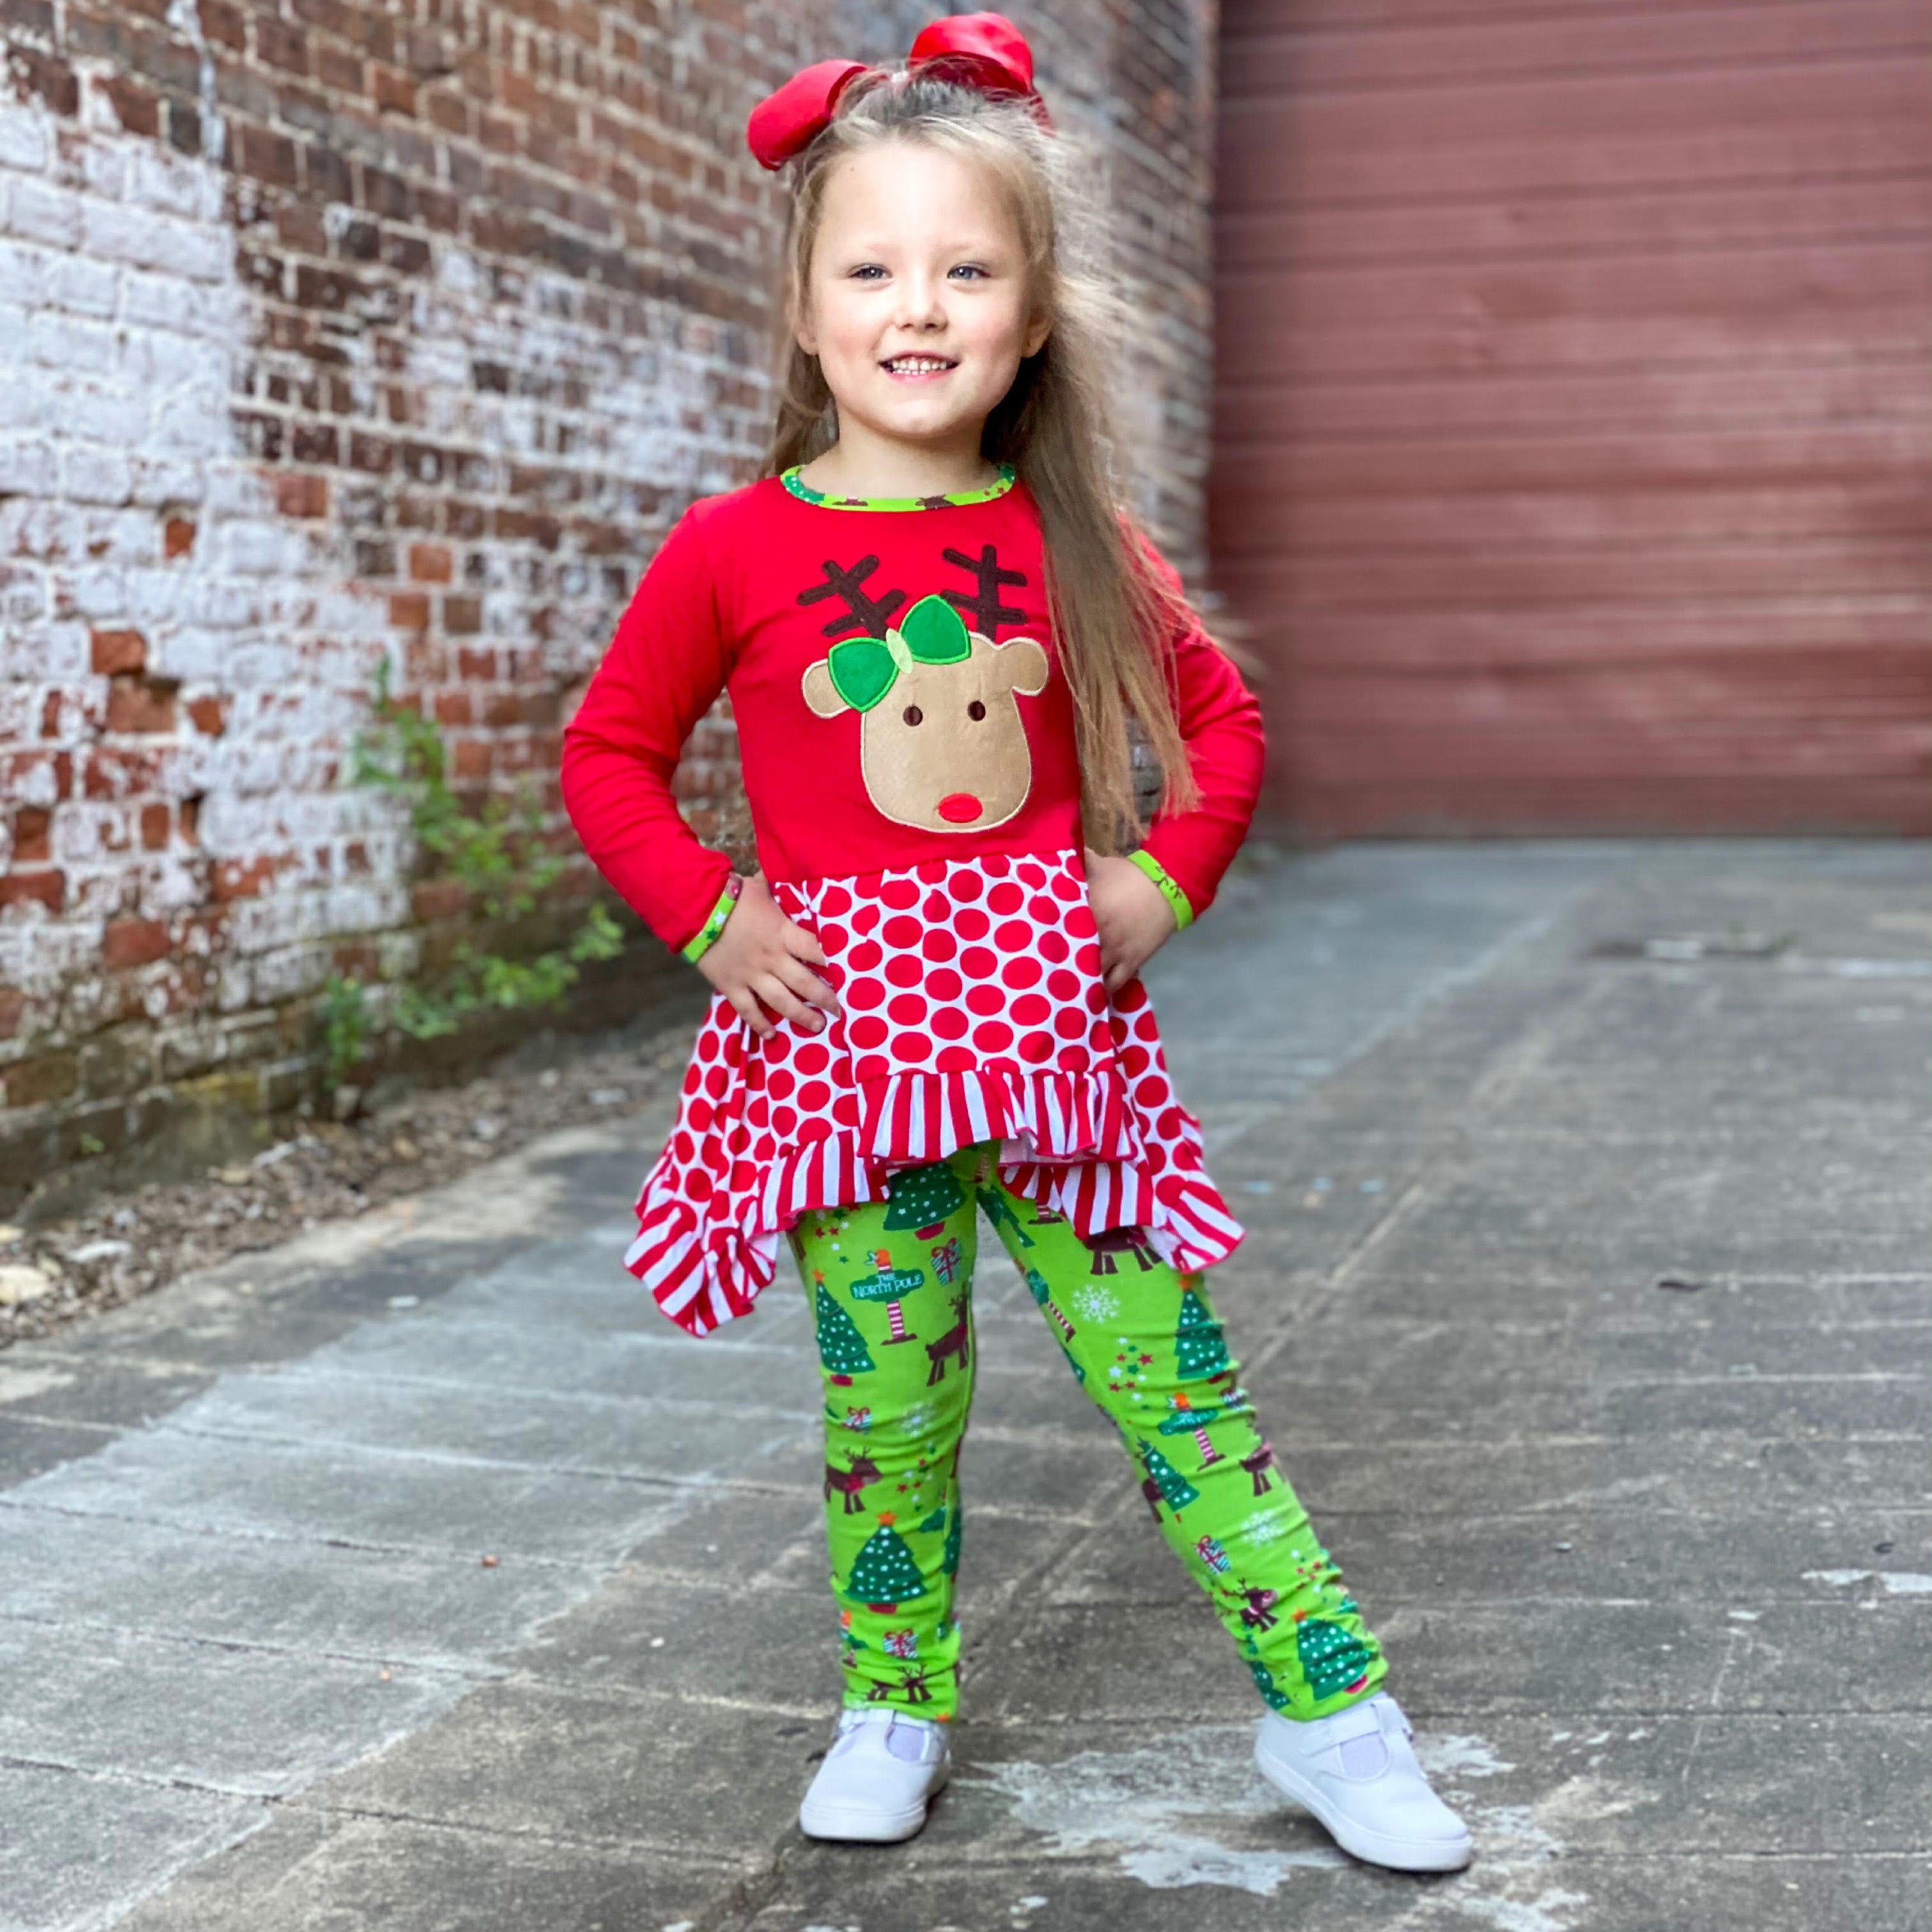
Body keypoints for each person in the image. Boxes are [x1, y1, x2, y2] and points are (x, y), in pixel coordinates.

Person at [559, 13, 1472, 1874]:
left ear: (1032, 317)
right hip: (840, 1066)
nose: (921, 306)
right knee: (886, 1410)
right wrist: (713, 914)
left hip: (1063, 1057)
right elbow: (610, 757)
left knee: (1178, 1387)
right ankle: (893, 1702)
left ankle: (1332, 1707)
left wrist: (1161, 882)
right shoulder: (734, 549)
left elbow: (1224, 731)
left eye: (968, 268)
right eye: (872, 268)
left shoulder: (1074, 535)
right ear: (807, 314)